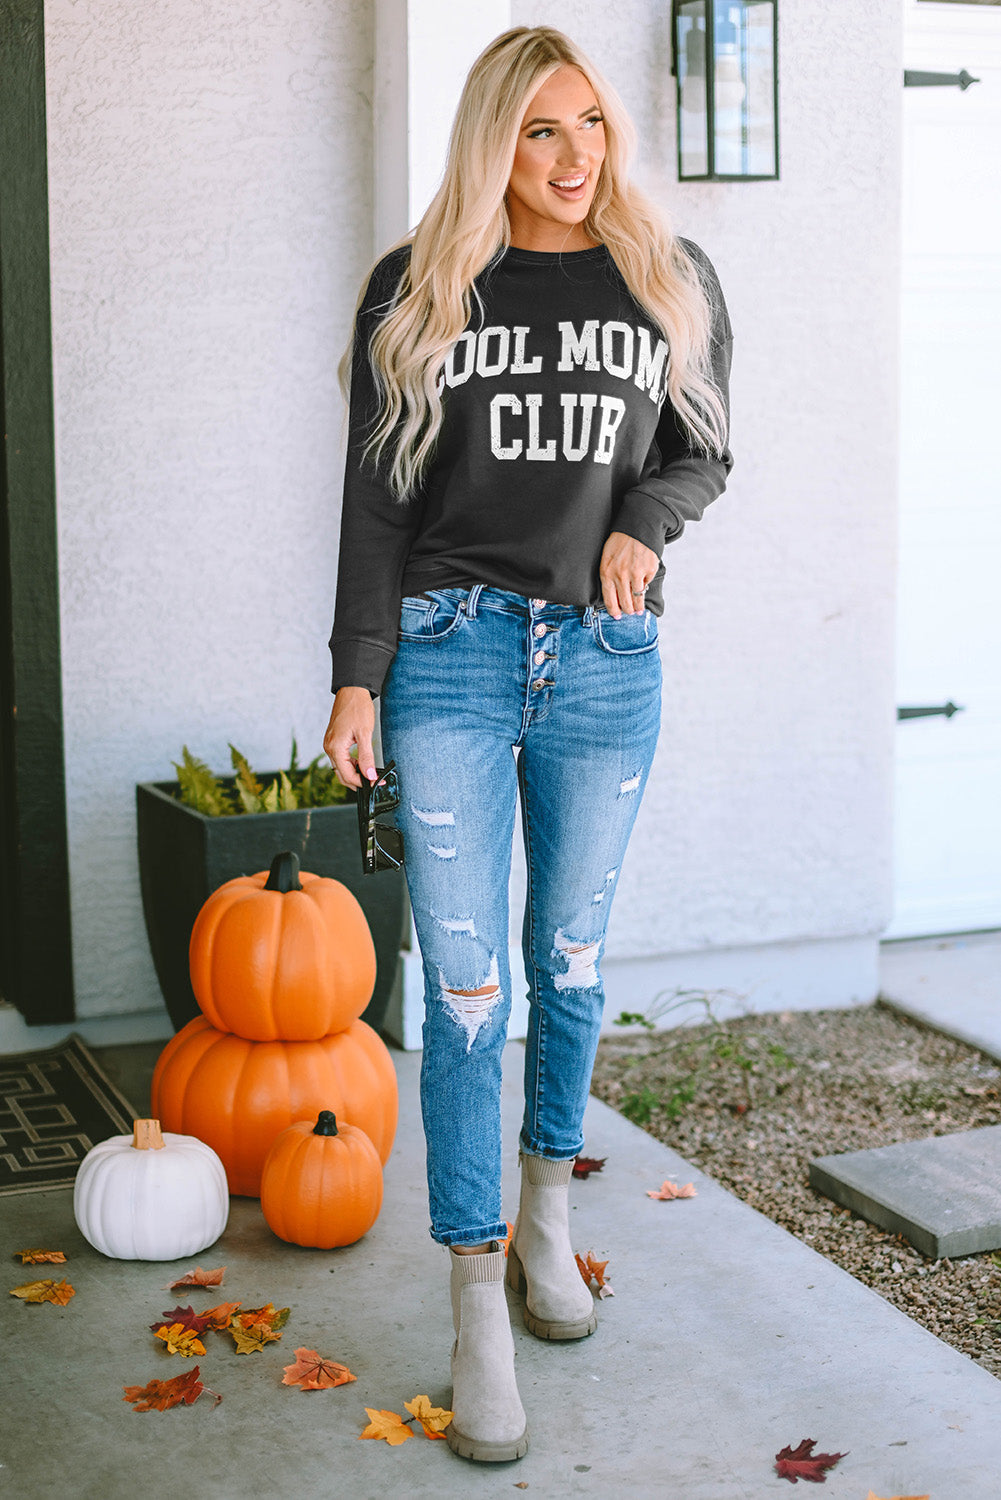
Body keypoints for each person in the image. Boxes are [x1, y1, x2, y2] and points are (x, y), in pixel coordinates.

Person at [323, 25, 733, 1465]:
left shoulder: (664, 280)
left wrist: (642, 522)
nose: (573, 159)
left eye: (592, 129)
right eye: (541, 131)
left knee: (566, 959)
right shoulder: (416, 286)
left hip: (605, 664)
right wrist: (355, 679)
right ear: (492, 140)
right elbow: (378, 499)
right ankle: (469, 1295)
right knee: (469, 987)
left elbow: (704, 445)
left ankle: (545, 1220)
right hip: (447, 659)